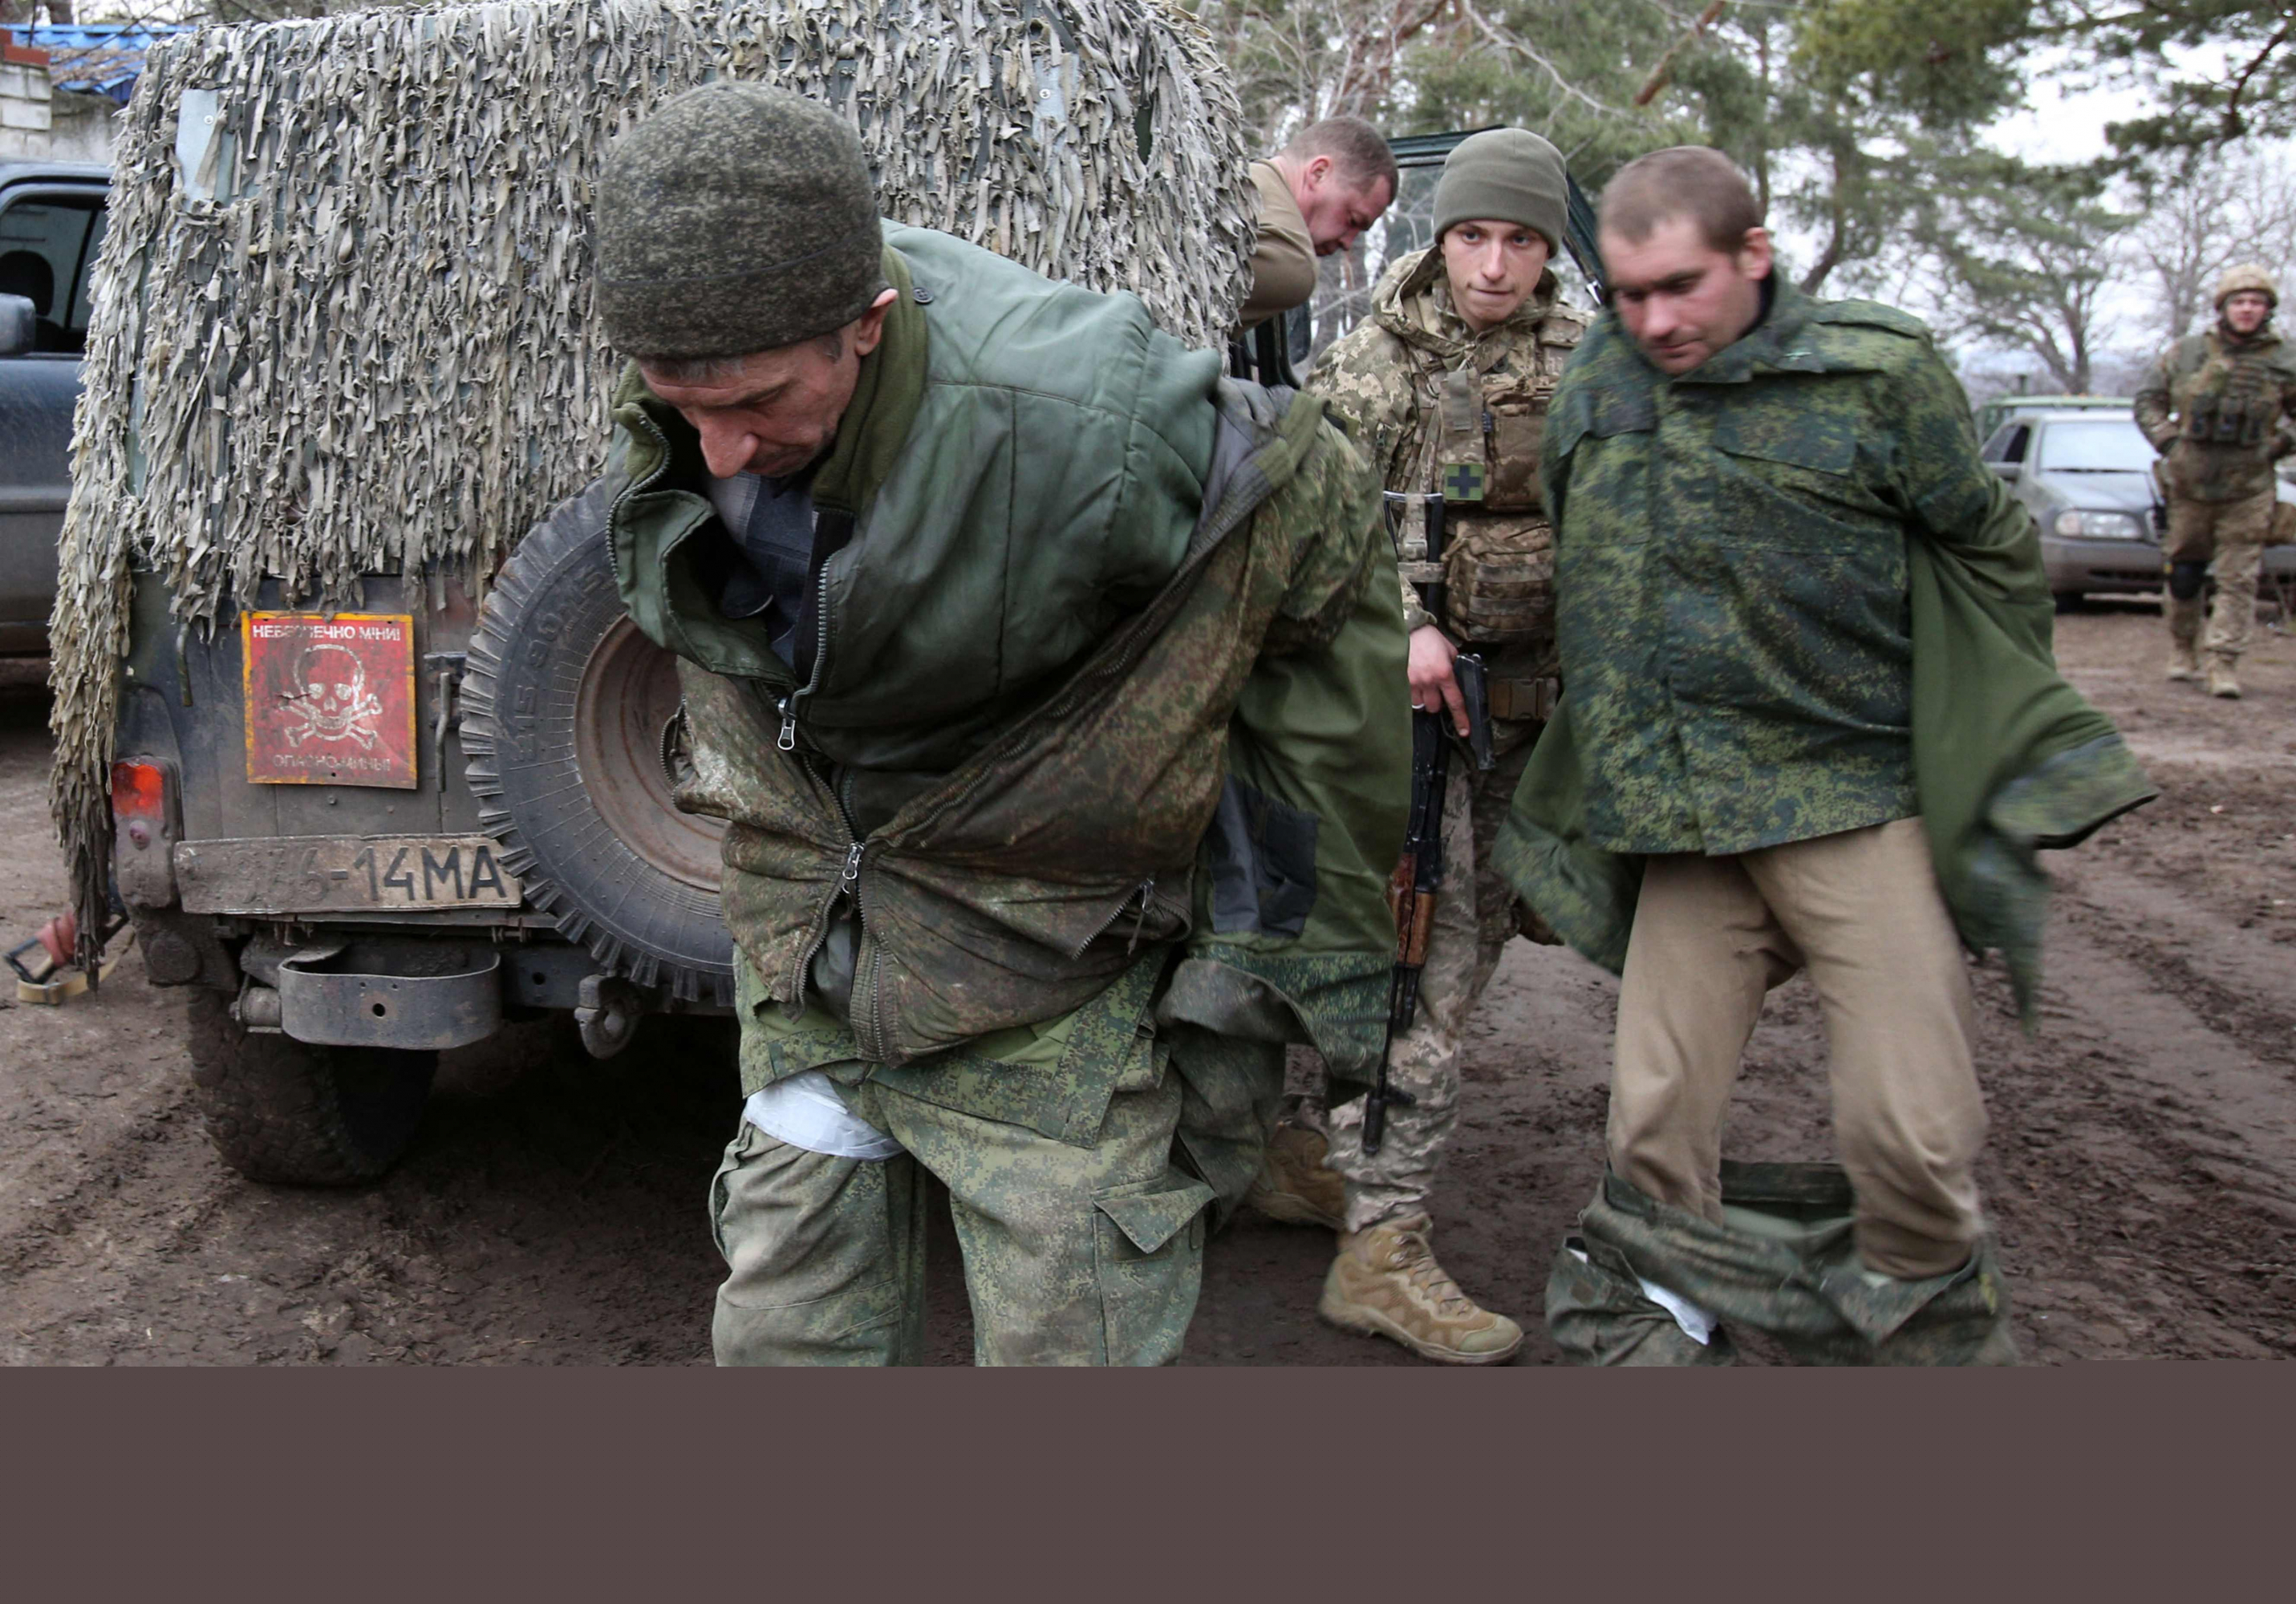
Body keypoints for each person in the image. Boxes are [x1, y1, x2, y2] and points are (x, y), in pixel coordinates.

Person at [594, 83, 1408, 1365]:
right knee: (783, 1333)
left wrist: (1275, 949)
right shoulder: (714, 370)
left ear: (868, 328)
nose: (722, 453)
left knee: (1066, 1343)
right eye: (680, 407)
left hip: (1045, 970)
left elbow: (1317, 542)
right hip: (814, 955)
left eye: (755, 406)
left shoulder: (1085, 425)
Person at [1497, 145, 2154, 1365]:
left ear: (1756, 257)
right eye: (1629, 294)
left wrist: (1988, 723)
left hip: (1848, 793)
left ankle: (1920, 1325)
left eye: (1681, 287)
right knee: (1652, 1119)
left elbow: (1984, 547)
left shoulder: (1877, 373)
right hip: (1683, 809)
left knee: (1912, 1129)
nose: (1653, 321)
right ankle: (1670, 1307)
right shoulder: (1600, 376)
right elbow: (1579, 534)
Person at [1261, 128, 1590, 1365]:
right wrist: (1405, 625)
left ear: (1548, 249)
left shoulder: (1590, 367)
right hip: (1414, 728)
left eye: (1518, 240)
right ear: (1438, 239)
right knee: (1425, 975)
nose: (1494, 265)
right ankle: (1381, 1243)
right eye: (1472, 236)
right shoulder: (1375, 364)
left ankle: (1333, 1160)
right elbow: (1316, 528)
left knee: (1476, 953)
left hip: (1533, 724)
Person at [2132, 264, 2296, 699]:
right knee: (2184, 575)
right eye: (2239, 302)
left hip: (2249, 488)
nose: (2247, 310)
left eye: (2256, 303)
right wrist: (2168, 442)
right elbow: (2148, 400)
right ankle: (2183, 649)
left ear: (2268, 310)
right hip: (2189, 485)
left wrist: (2280, 444)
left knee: (2238, 580)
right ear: (2223, 307)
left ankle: (2223, 662)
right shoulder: (2186, 353)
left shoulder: (2286, 361)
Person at [1238, 116, 1398, 330]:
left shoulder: (1232, 176)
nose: (1348, 243)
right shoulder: (1292, 261)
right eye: (1353, 220)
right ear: (1319, 172)